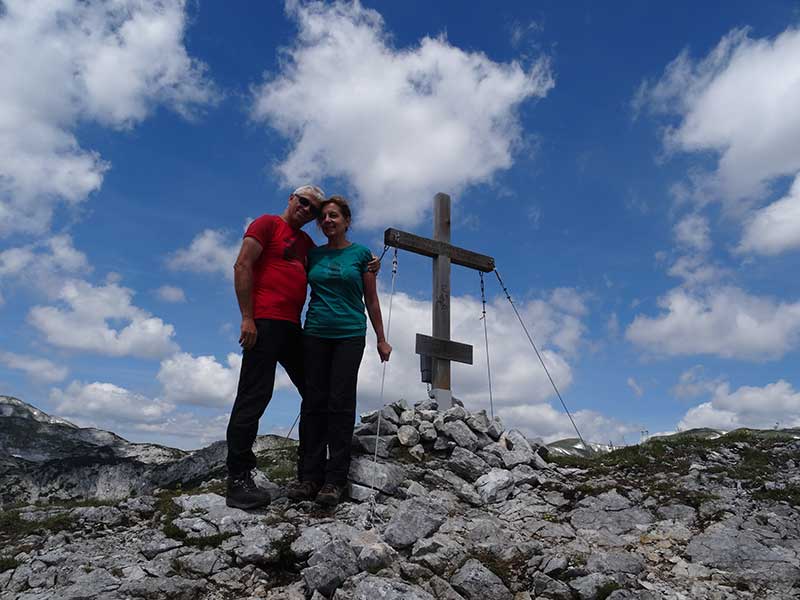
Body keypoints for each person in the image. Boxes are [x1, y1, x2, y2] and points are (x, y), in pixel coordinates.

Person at [224, 185, 325, 509]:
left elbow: (331, 264)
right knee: (254, 397)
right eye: (304, 202)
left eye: (314, 209)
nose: (307, 210)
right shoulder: (266, 224)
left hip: (294, 328)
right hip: (264, 323)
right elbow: (242, 265)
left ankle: (310, 473)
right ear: (291, 199)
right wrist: (247, 318)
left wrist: (369, 265)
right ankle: (238, 480)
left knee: (315, 392)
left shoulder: (308, 244)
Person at [287, 195, 391, 506]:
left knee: (341, 403)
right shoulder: (313, 254)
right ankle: (308, 477)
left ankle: (335, 480)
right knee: (313, 403)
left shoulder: (362, 255)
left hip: (349, 333)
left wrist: (381, 339)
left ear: (346, 221)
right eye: (324, 218)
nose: (328, 221)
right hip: (315, 332)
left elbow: (371, 300)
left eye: (334, 216)